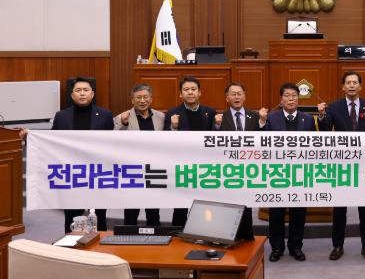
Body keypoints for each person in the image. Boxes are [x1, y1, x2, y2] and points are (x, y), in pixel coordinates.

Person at [318, 71, 365, 261]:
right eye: (348, 82)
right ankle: (337, 246)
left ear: (360, 86)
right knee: (339, 210)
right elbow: (325, 132)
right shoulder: (334, 107)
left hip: (363, 166)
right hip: (342, 165)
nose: (352, 85)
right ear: (343, 87)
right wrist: (322, 115)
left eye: (355, 82)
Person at [52, 76, 114, 233]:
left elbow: (112, 144)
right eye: (78, 90)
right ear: (72, 95)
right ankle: (70, 244)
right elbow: (51, 141)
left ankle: (100, 246)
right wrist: (31, 136)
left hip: (98, 173)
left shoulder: (105, 115)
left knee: (99, 216)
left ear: (92, 94)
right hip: (73, 174)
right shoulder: (61, 116)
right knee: (72, 217)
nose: (82, 93)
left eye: (86, 90)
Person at [264, 83, 314, 262]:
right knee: (276, 214)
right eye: (287, 95)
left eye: (294, 95)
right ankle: (277, 248)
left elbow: (314, 145)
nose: (291, 99)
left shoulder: (308, 119)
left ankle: (296, 247)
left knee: (298, 213)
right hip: (277, 173)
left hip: (300, 173)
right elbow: (263, 142)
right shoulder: (271, 118)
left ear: (298, 98)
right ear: (281, 99)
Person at [212, 82, 268, 241]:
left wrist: (262, 122)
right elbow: (212, 142)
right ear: (227, 98)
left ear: (244, 96)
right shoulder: (219, 118)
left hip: (249, 168)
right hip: (227, 169)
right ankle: (227, 239)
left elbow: (263, 140)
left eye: (239, 93)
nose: (236, 97)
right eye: (233, 94)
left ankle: (247, 239)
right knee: (228, 205)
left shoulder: (255, 116)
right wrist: (217, 126)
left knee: (246, 206)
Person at [163, 76, 216, 227]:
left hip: (205, 167)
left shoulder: (210, 112)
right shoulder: (173, 113)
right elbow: (165, 141)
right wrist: (173, 127)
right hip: (183, 167)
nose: (190, 92)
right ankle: (177, 233)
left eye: (193, 89)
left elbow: (215, 138)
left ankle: (204, 232)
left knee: (204, 204)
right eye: (186, 90)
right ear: (181, 94)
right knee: (180, 206)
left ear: (200, 92)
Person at [114, 83, 165, 226]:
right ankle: (128, 236)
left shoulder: (160, 117)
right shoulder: (122, 117)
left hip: (154, 169)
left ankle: (155, 236)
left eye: (145, 97)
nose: (142, 101)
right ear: (132, 100)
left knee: (153, 211)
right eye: (138, 97)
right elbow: (113, 140)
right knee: (131, 210)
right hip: (133, 169)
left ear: (151, 99)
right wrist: (123, 124)